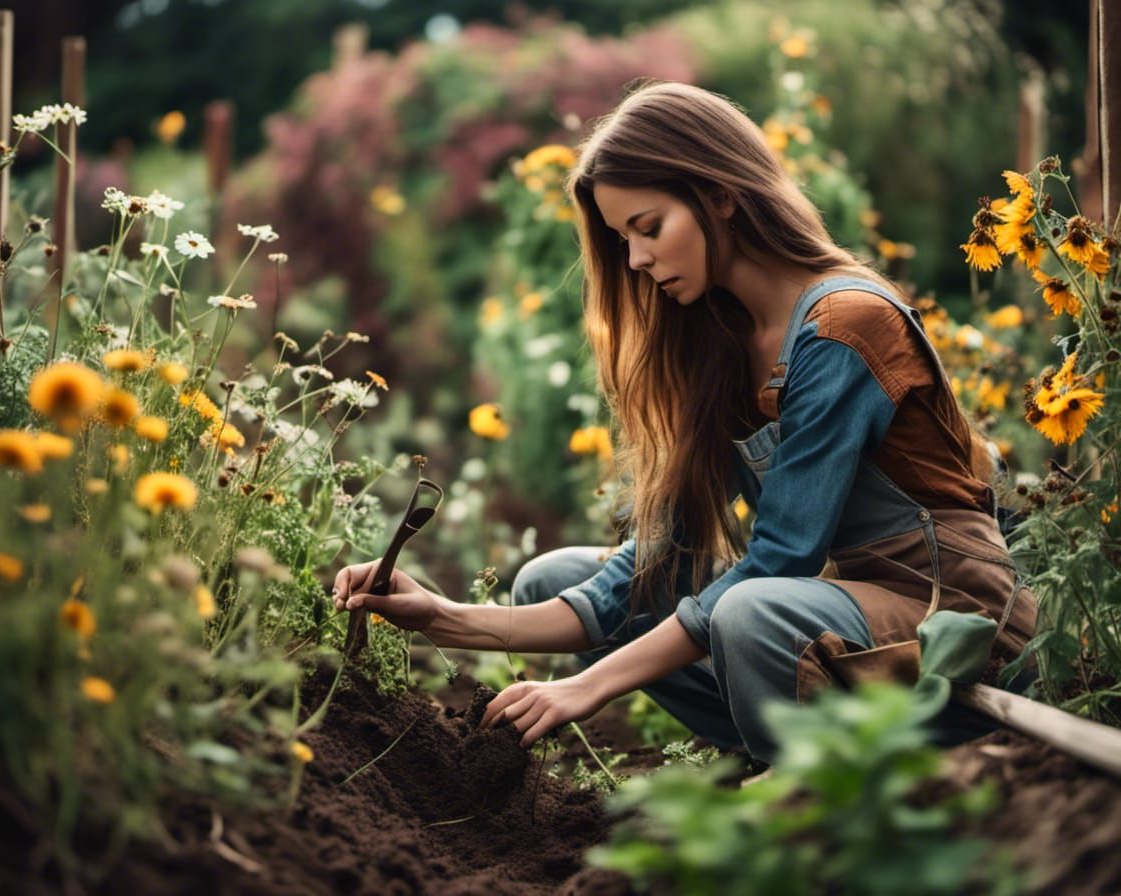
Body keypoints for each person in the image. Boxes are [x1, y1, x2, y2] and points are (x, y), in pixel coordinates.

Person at [332, 81, 1036, 764]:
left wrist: (588, 683)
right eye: (622, 239)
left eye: (648, 228)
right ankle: (775, 751)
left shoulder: (844, 327)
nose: (636, 260)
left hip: (951, 628)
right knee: (555, 578)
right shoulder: (724, 344)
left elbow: (782, 558)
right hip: (837, 618)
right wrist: (443, 615)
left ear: (721, 196)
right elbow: (655, 565)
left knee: (752, 612)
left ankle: (817, 798)